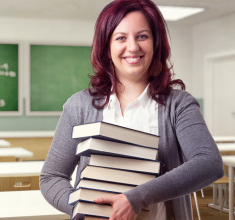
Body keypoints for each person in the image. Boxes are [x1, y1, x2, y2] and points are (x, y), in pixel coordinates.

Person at [39, 0, 224, 219]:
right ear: (106, 47)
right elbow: (51, 177)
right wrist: (82, 208)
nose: (133, 47)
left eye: (142, 36)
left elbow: (208, 163)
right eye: (121, 38)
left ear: (156, 44)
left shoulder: (179, 104)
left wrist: (136, 198)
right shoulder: (78, 106)